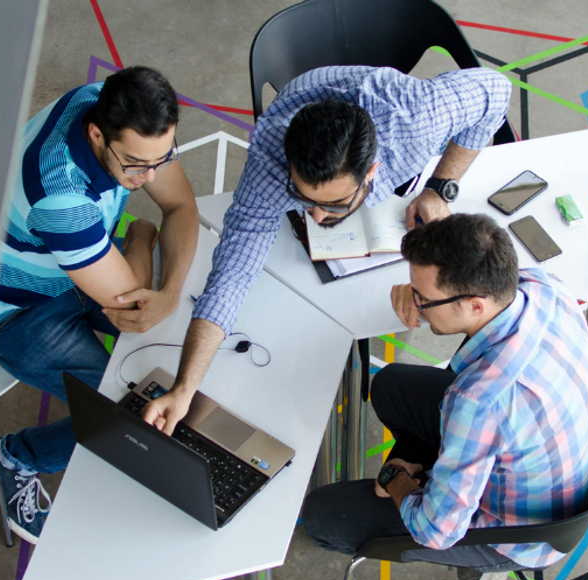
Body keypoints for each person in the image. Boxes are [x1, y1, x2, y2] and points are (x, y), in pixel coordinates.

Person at [139, 65, 512, 434]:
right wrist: (185, 388)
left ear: (371, 172)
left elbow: (497, 90)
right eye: (303, 198)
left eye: (334, 205)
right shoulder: (270, 161)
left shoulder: (416, 119)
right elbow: (230, 276)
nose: (316, 217)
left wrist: (441, 185)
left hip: (390, 111)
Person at [300, 213, 588, 580]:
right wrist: (415, 291)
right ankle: (439, 475)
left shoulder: (478, 401)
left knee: (322, 515)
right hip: (559, 464)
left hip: (520, 533)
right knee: (390, 386)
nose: (416, 305)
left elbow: (435, 530)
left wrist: (396, 477)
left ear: (475, 305)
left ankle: (482, 566)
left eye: (423, 299)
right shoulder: (541, 286)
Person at [0, 66, 199, 543]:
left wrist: (170, 291)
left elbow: (181, 207)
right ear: (97, 135)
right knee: (123, 414)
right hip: (17, 311)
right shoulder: (62, 199)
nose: (151, 176)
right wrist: (141, 238)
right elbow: (136, 308)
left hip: (74, 265)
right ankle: (15, 457)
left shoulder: (110, 103)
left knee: (172, 339)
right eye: (136, 165)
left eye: (163, 159)